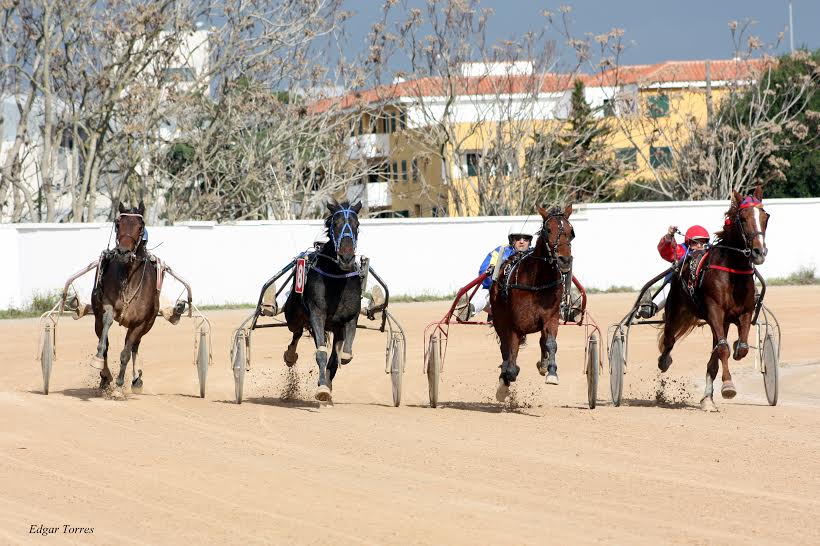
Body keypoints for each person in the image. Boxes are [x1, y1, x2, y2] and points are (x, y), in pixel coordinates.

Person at [67, 225, 187, 323]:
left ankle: (172, 313)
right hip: (113, 293)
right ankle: (81, 308)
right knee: (99, 293)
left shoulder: (153, 261)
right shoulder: (111, 257)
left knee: (157, 300)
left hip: (142, 298)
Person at [260, 229, 384, 318]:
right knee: (292, 294)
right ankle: (271, 304)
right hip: (309, 297)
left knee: (355, 291)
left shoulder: (344, 261)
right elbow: (296, 287)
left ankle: (373, 304)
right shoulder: (308, 259)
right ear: (316, 246)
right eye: (321, 246)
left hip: (343, 298)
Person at [455, 226, 534, 321]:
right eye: (518, 238)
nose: (521, 241)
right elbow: (483, 272)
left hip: (525, 304)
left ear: (529, 241)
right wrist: (493, 273)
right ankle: (469, 310)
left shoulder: (535, 255)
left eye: (525, 239)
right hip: (500, 301)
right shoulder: (501, 251)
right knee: (485, 293)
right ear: (512, 240)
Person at [637, 224, 710, 318]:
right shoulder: (681, 250)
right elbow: (665, 251)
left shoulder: (710, 253)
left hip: (698, 287)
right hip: (674, 285)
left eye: (703, 242)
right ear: (689, 242)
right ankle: (650, 308)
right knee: (667, 292)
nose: (699, 245)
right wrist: (669, 236)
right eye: (696, 242)